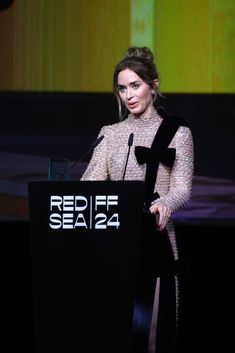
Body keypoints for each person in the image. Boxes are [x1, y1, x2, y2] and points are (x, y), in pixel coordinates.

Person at [80, 46, 194, 353]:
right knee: (115, 331)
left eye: (135, 85)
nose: (129, 95)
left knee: (152, 333)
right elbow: (88, 185)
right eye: (122, 88)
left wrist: (166, 203)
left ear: (153, 85)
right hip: (115, 240)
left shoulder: (178, 133)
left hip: (155, 239)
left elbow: (182, 188)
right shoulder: (110, 134)